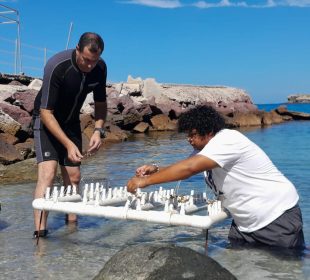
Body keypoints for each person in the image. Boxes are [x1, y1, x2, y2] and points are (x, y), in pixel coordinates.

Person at [127, 105, 305, 249]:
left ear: (209, 130)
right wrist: (155, 169)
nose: (189, 139)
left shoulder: (227, 140)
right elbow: (182, 166)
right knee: (239, 265)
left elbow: (189, 168)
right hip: (244, 223)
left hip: (275, 216)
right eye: (187, 134)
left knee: (285, 268)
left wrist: (145, 181)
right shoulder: (206, 150)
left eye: (193, 134)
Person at [32, 32, 107, 238]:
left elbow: (101, 105)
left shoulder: (100, 68)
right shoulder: (57, 66)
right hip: (46, 120)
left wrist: (98, 131)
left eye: (94, 60)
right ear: (77, 49)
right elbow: (46, 112)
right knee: (48, 174)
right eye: (86, 60)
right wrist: (67, 144)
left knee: (74, 177)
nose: (90, 65)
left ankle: (72, 232)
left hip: (71, 122)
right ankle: (40, 234)